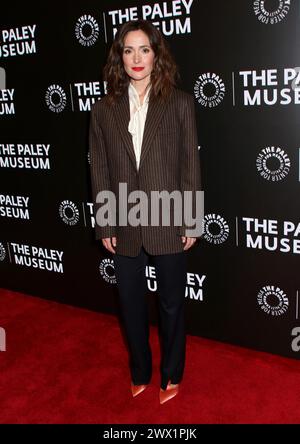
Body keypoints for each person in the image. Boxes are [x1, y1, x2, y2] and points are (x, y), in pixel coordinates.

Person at [89, 19, 202, 404]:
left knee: (171, 303)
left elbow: (190, 166)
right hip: (122, 217)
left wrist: (191, 218)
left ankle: (172, 373)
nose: (136, 58)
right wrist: (105, 218)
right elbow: (99, 167)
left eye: (144, 49)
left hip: (168, 215)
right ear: (119, 57)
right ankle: (139, 369)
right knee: (130, 303)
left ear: (157, 54)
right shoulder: (103, 109)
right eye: (128, 50)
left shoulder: (181, 102)